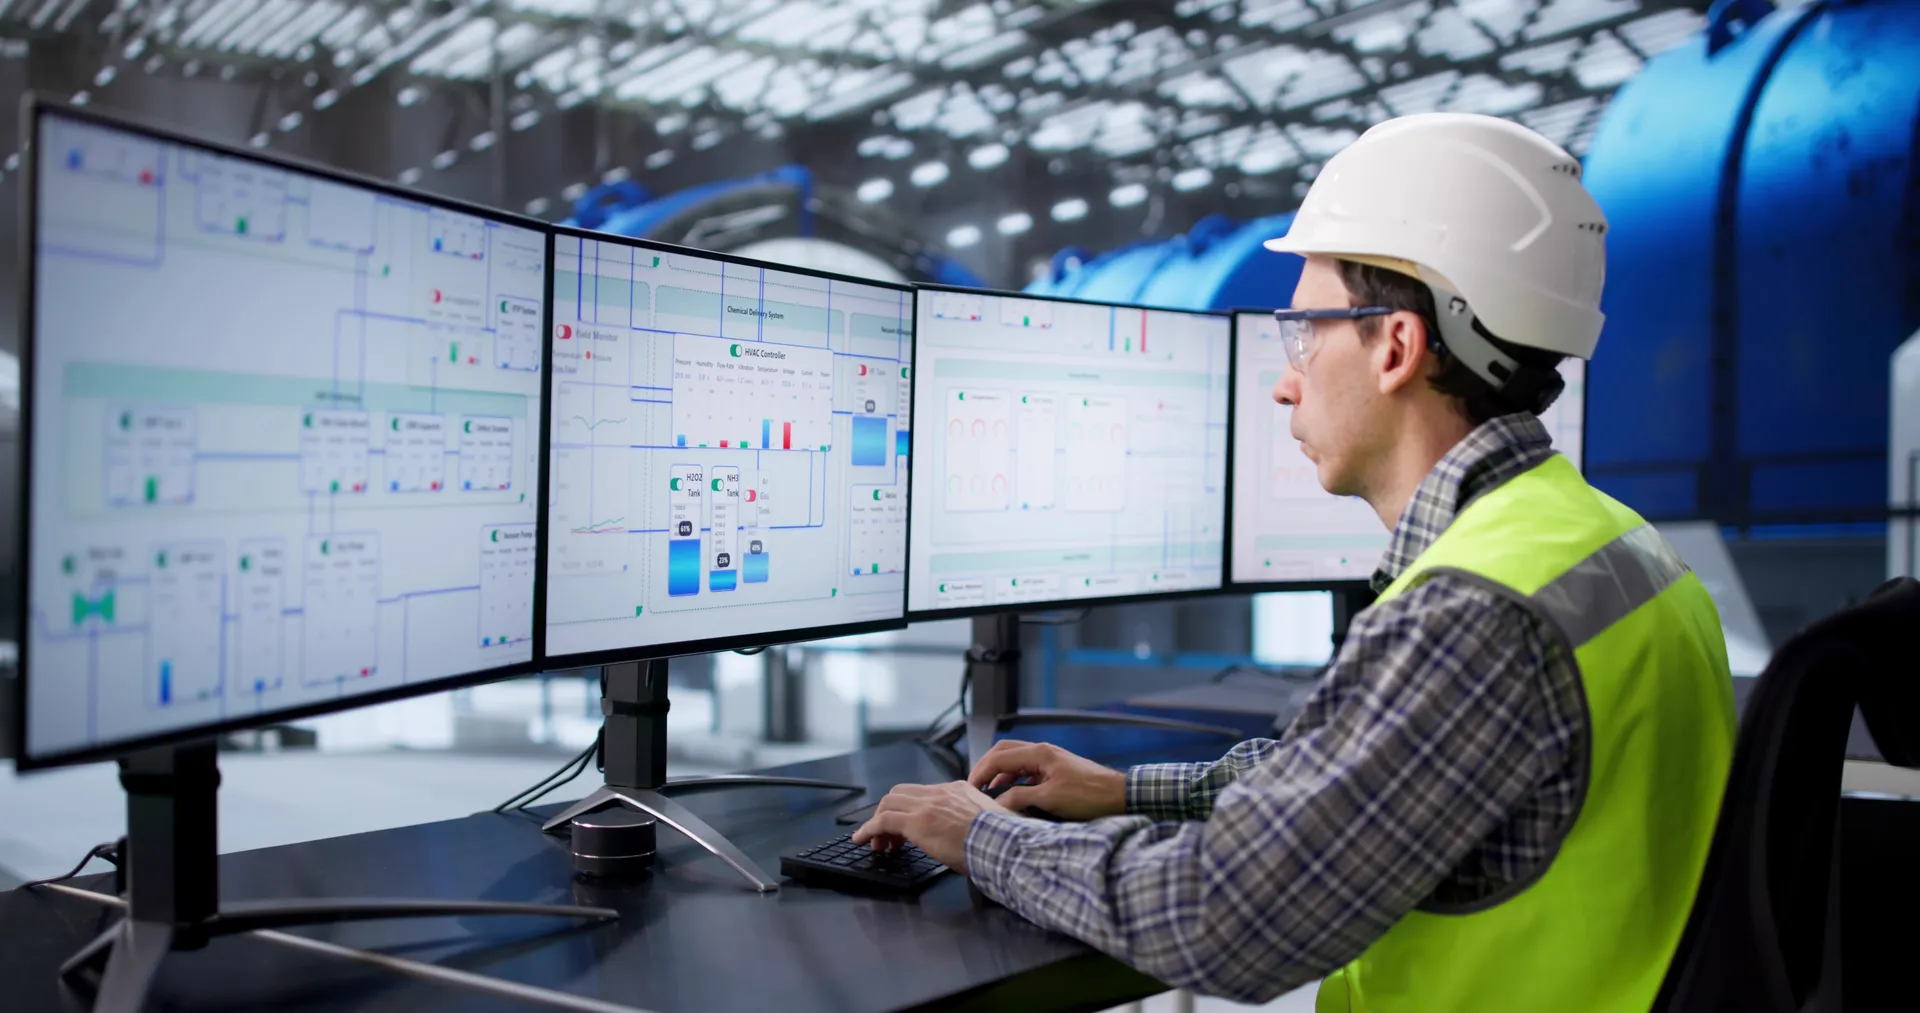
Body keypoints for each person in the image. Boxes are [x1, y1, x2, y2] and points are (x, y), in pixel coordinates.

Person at [853, 112, 1738, 1011]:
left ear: (1395, 345)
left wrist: (979, 834)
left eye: (1306, 330)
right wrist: (1125, 788)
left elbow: (1226, 917)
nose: (1285, 376)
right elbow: (1355, 772)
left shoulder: (1474, 610)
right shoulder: (1609, 540)